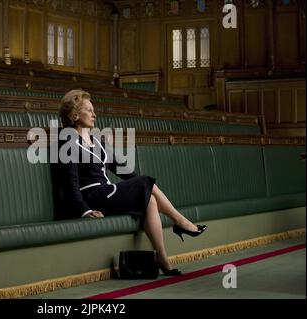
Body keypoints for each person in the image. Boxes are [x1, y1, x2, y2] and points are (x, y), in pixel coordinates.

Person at [55, 89, 207, 275]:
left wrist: (146, 186)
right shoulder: (66, 140)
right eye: (89, 110)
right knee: (144, 184)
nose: (95, 114)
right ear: (75, 114)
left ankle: (162, 258)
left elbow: (123, 169)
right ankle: (179, 221)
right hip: (92, 197)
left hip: (106, 192)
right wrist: (84, 210)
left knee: (149, 199)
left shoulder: (97, 140)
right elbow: (69, 181)